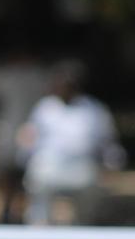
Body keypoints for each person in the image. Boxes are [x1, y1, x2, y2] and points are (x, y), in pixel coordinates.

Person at [21, 64, 124, 228]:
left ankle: (83, 226)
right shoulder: (45, 107)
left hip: (82, 167)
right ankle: (39, 226)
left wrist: (112, 163)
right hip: (49, 165)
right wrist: (24, 155)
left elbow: (107, 141)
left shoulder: (93, 109)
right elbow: (29, 135)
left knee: (90, 192)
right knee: (37, 181)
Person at [0, 42, 56, 225]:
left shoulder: (10, 75)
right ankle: (12, 210)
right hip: (19, 131)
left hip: (19, 131)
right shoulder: (41, 77)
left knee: (16, 174)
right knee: (14, 174)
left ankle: (12, 210)